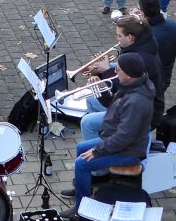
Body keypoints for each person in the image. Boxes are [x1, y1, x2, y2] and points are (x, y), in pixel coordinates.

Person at [62, 52, 155, 203]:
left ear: (129, 75)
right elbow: (113, 106)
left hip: (130, 151)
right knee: (81, 147)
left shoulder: (136, 102)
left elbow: (124, 138)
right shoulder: (131, 85)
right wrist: (101, 89)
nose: (115, 72)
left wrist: (98, 150)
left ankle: (81, 205)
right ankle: (83, 186)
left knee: (81, 163)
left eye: (118, 70)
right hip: (119, 141)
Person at [78, 13, 164, 140]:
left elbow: (119, 93)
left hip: (141, 115)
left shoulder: (140, 59)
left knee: (87, 123)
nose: (117, 39)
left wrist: (106, 70)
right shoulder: (142, 44)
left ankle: (98, 148)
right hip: (136, 104)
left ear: (129, 37)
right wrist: (100, 69)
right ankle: (105, 133)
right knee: (91, 99)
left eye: (119, 36)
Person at [137, 0, 176, 92]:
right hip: (166, 75)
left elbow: (131, 58)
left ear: (142, 12)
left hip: (150, 81)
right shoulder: (172, 25)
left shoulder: (146, 35)